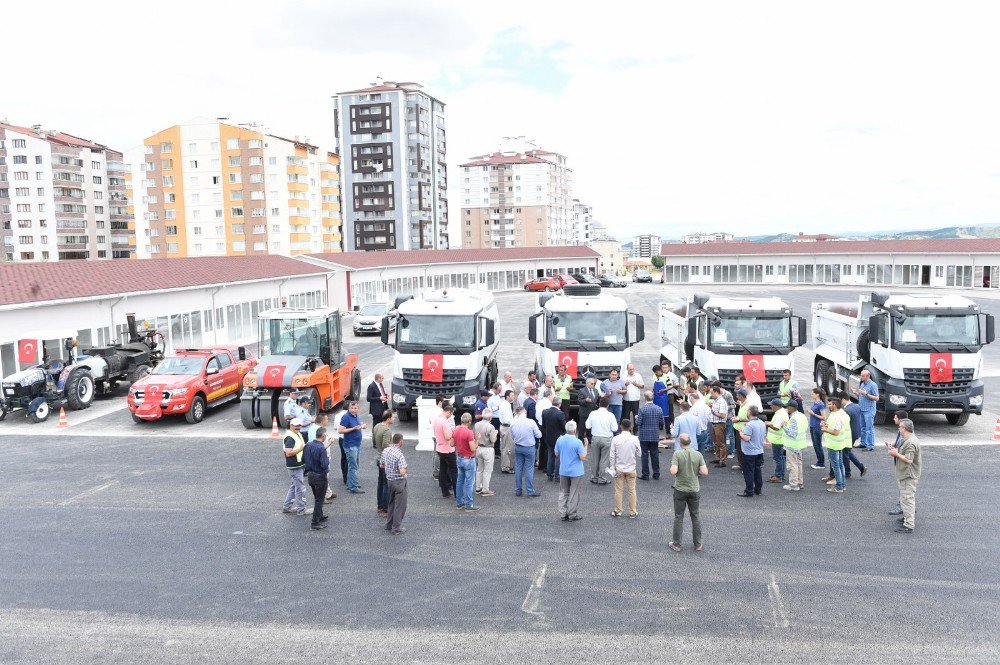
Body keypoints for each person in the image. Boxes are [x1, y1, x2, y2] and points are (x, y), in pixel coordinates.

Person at [668, 433, 708, 552]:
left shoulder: (678, 454)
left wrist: (674, 468)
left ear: (680, 443)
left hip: (680, 489)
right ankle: (698, 544)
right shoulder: (698, 454)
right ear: (690, 442)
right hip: (694, 488)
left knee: (679, 516)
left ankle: (677, 544)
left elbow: (673, 471)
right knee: (695, 515)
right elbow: (704, 472)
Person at [888, 418, 921, 533]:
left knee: (907, 499)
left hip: (908, 475)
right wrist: (894, 450)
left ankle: (909, 525)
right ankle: (906, 518)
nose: (898, 428)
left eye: (900, 427)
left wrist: (895, 453)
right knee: (904, 498)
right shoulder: (907, 439)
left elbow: (909, 459)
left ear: (904, 429)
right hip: (905, 473)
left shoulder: (910, 442)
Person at [555, 421, 587, 521]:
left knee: (563, 492)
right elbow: (582, 457)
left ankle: (563, 513)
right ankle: (572, 514)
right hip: (576, 471)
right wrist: (586, 446)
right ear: (575, 430)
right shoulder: (578, 442)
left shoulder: (560, 439)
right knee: (574, 493)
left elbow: (556, 453)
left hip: (564, 470)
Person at [609, 419, 642, 518]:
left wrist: (612, 467)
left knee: (618, 490)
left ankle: (618, 510)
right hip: (631, 468)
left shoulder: (615, 439)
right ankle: (632, 511)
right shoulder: (635, 439)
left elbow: (612, 455)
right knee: (632, 491)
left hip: (619, 468)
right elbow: (639, 454)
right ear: (630, 427)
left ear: (621, 426)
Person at [510, 406, 543, 497]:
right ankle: (530, 491)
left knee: (519, 468)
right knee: (529, 469)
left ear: (517, 413)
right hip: (529, 447)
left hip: (518, 447)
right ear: (524, 413)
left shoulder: (512, 422)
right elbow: (539, 435)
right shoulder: (531, 422)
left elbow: (511, 436)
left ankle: (518, 490)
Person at [303, 426, 331, 530]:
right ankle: (315, 523)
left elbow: (303, 459)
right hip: (320, 476)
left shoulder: (308, 445)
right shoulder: (321, 448)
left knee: (317, 497)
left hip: (310, 475)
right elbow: (324, 465)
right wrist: (327, 457)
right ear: (323, 436)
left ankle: (320, 515)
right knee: (319, 500)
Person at [821, 396, 850, 493]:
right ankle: (842, 485)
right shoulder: (841, 414)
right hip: (840, 443)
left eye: (830, 404)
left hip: (833, 444)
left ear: (835, 405)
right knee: (840, 465)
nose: (828, 406)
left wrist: (825, 429)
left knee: (836, 466)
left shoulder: (838, 417)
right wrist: (826, 425)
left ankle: (839, 487)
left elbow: (836, 432)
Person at [585, 396, 618, 485]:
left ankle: (594, 477)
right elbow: (615, 428)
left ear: (599, 404)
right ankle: (602, 478)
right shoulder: (611, 415)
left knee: (595, 458)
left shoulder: (593, 413)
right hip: (606, 438)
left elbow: (587, 426)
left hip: (595, 438)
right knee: (604, 460)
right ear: (608, 405)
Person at [281, 418, 310, 516]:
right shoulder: (290, 437)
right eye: (295, 425)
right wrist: (301, 448)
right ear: (291, 425)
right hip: (295, 466)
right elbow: (288, 453)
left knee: (294, 486)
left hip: (298, 464)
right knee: (300, 488)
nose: (298, 427)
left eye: (299, 425)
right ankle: (301, 509)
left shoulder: (296, 434)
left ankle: (287, 506)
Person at [381, 433, 408, 535]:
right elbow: (402, 471)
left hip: (390, 481)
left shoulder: (386, 450)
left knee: (391, 503)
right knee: (400, 506)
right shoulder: (399, 455)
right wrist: (405, 469)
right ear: (400, 441)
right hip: (399, 482)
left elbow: (382, 465)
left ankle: (388, 525)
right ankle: (396, 528)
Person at [338, 401, 366, 494]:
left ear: (358, 409)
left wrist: (362, 426)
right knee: (353, 466)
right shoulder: (346, 417)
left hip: (356, 444)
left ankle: (352, 483)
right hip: (350, 445)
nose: (353, 410)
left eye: (355, 408)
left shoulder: (355, 416)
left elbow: (357, 425)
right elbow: (340, 430)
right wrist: (353, 429)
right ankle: (353, 487)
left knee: (355, 465)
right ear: (349, 408)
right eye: (352, 408)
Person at [453, 413, 479, 511]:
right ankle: (469, 505)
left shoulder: (456, 430)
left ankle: (459, 502)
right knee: (469, 482)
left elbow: (451, 443)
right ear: (469, 421)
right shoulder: (469, 432)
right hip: (468, 459)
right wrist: (478, 440)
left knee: (460, 481)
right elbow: (473, 448)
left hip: (459, 457)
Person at [738, 406, 766, 497]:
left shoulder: (750, 425)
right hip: (759, 450)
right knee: (758, 471)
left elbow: (746, 438)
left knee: (749, 471)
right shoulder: (762, 423)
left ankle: (749, 490)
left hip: (749, 452)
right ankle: (758, 489)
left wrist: (740, 432)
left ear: (749, 413)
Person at [635, 390, 664, 480]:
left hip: (644, 435)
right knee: (655, 454)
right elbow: (661, 422)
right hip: (654, 435)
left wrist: (636, 418)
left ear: (644, 398)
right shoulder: (658, 408)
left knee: (644, 455)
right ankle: (656, 473)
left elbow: (638, 422)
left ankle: (645, 474)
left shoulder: (642, 409)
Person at [781, 402, 809, 491]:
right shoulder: (802, 416)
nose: (786, 409)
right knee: (799, 464)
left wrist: (784, 426)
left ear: (791, 408)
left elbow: (792, 433)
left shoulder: (793, 419)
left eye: (787, 407)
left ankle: (793, 484)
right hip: (799, 444)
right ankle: (800, 482)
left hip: (792, 445)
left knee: (792, 465)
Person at [372, 409, 395, 517]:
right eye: (393, 417)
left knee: (380, 483)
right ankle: (386, 509)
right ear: (389, 418)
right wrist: (394, 446)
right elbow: (386, 445)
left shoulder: (376, 426)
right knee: (386, 484)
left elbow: (374, 442)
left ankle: (380, 506)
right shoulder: (387, 430)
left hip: (378, 457)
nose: (394, 419)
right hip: (385, 460)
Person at [887, 410, 909, 515]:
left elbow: (907, 453)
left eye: (895, 418)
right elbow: (899, 444)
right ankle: (907, 506)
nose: (893, 419)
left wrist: (895, 452)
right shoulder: (901, 431)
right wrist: (893, 445)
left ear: (900, 420)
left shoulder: (906, 434)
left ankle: (903, 506)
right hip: (900, 462)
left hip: (904, 465)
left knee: (904, 486)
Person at [433, 404, 457, 498]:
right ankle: (457, 493)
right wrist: (453, 431)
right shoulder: (444, 422)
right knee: (454, 471)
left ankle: (445, 492)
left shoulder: (437, 419)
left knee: (443, 470)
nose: (451, 416)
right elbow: (448, 437)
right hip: (448, 450)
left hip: (439, 448)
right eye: (451, 414)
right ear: (449, 412)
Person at [841, 397, 868, 480]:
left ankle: (848, 472)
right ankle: (860, 467)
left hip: (849, 434)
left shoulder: (846, 410)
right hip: (856, 433)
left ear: (843, 399)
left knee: (845, 452)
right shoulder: (856, 406)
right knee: (847, 452)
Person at [852, 368, 879, 451]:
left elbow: (876, 398)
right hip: (862, 409)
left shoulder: (873, 385)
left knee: (869, 428)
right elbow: (861, 396)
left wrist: (866, 394)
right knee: (862, 427)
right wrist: (856, 393)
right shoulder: (862, 384)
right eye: (861, 375)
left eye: (863, 376)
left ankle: (871, 446)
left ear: (868, 376)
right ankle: (863, 443)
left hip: (869, 410)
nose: (861, 377)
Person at [474, 407, 498, 496]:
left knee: (479, 469)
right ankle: (485, 489)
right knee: (487, 470)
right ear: (490, 418)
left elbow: (474, 436)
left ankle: (478, 487)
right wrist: (495, 433)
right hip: (488, 449)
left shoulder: (476, 424)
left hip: (478, 448)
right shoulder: (491, 426)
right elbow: (493, 440)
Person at [542, 396, 567, 481]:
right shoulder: (560, 414)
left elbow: (544, 425)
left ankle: (550, 474)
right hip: (558, 438)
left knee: (550, 455)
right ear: (559, 404)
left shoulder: (545, 412)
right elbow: (564, 427)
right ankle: (557, 475)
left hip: (549, 437)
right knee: (558, 457)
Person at [765, 398, 788, 483]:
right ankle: (781, 474)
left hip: (778, 440)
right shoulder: (782, 412)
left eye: (772, 405)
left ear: (776, 406)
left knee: (778, 458)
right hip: (780, 439)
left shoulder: (779, 415)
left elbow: (777, 427)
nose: (770, 406)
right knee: (781, 458)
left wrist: (768, 424)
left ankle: (778, 476)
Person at [709, 385, 729, 467]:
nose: (711, 394)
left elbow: (723, 415)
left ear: (716, 392)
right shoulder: (716, 401)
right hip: (715, 423)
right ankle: (718, 458)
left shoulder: (721, 402)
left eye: (712, 392)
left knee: (720, 443)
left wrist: (714, 413)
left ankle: (723, 461)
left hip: (719, 424)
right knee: (716, 442)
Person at [577, 376, 601, 444]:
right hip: (584, 412)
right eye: (592, 384)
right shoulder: (582, 390)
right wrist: (585, 400)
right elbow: (579, 401)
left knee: (591, 426)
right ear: (587, 383)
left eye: (594, 384)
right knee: (582, 427)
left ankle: (589, 439)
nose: (593, 385)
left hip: (593, 412)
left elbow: (597, 401)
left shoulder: (596, 390)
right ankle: (580, 439)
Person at [808, 388, 828, 470]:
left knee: (818, 445)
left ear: (817, 394)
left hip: (817, 426)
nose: (811, 394)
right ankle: (819, 461)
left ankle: (821, 463)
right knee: (815, 444)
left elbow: (824, 417)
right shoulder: (815, 403)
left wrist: (813, 414)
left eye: (812, 393)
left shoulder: (820, 404)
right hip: (813, 425)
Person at [533, 388, 552, 470]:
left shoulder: (538, 402)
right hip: (547, 426)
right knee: (547, 446)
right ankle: (546, 466)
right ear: (550, 395)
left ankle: (541, 464)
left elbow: (537, 416)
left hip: (540, 425)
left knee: (542, 445)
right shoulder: (549, 403)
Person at [731, 390, 750, 469]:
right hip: (739, 429)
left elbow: (750, 419)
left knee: (744, 449)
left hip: (744, 430)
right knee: (739, 448)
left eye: (738, 395)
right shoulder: (742, 404)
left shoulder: (748, 405)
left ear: (741, 396)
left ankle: (745, 467)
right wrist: (737, 418)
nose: (736, 397)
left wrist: (738, 420)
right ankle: (741, 465)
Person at [651, 365, 672, 439]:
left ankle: (668, 432)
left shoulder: (666, 377)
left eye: (657, 372)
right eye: (655, 373)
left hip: (663, 398)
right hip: (656, 398)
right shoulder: (654, 376)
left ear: (660, 370)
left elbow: (670, 386)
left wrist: (663, 390)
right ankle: (655, 432)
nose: (656, 374)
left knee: (666, 416)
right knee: (655, 415)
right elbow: (653, 386)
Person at [498, 390, 515, 473]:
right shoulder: (506, 405)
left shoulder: (505, 404)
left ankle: (506, 465)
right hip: (506, 427)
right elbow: (506, 419)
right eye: (512, 395)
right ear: (507, 396)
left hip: (504, 427)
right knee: (507, 448)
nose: (513, 397)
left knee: (505, 447)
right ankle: (505, 467)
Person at [486, 383, 504, 453]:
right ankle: (494, 450)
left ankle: (497, 449)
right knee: (494, 434)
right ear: (494, 389)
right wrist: (497, 407)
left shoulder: (497, 395)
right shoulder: (489, 396)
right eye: (499, 390)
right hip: (493, 418)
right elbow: (489, 408)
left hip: (498, 417)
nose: (500, 392)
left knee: (498, 434)